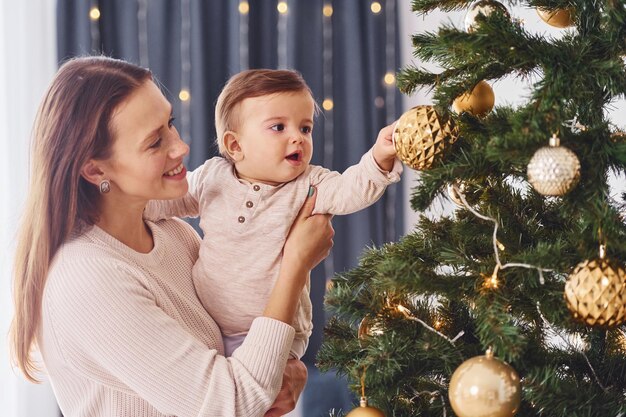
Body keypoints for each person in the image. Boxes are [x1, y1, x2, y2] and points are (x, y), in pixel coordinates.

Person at [9, 56, 334, 417]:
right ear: (95, 169)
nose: (180, 147)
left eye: (171, 124)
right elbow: (233, 402)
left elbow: (243, 365)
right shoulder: (86, 277)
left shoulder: (172, 234)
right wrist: (295, 265)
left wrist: (286, 372)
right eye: (154, 142)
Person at [144, 69, 402, 359]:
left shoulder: (309, 184)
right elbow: (162, 201)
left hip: (279, 331)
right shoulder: (211, 178)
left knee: (259, 397)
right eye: (278, 127)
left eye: (305, 128)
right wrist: (127, 200)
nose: (298, 138)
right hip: (209, 327)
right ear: (235, 145)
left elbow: (351, 190)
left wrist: (379, 158)